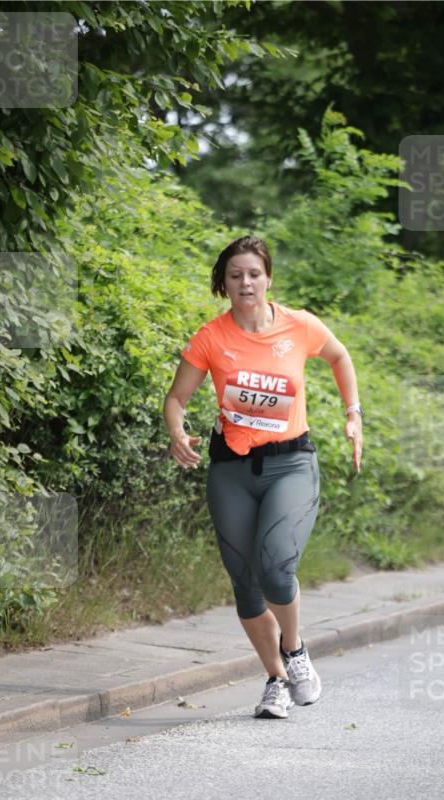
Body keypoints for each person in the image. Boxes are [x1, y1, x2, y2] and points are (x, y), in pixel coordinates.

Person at [163, 235, 362, 719]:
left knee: (275, 567)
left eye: (254, 273)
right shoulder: (211, 337)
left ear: (268, 277)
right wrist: (176, 432)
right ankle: (275, 679)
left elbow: (339, 357)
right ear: (223, 284)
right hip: (231, 469)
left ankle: (294, 651)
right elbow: (176, 399)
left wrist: (353, 412)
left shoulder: (300, 326)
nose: (245, 282)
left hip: (291, 464)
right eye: (235, 276)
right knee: (246, 584)